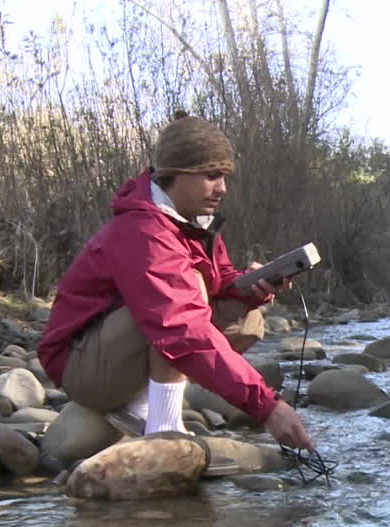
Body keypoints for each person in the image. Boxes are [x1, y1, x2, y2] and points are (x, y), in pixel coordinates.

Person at [38, 114, 316, 454]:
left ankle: (144, 401)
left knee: (246, 317)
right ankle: (163, 426)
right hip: (78, 366)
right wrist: (267, 407)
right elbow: (181, 324)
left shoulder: (195, 223)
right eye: (211, 176)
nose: (222, 188)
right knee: (185, 301)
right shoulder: (143, 230)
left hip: (115, 353)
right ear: (176, 174)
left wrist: (249, 285)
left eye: (225, 177)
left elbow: (219, 280)